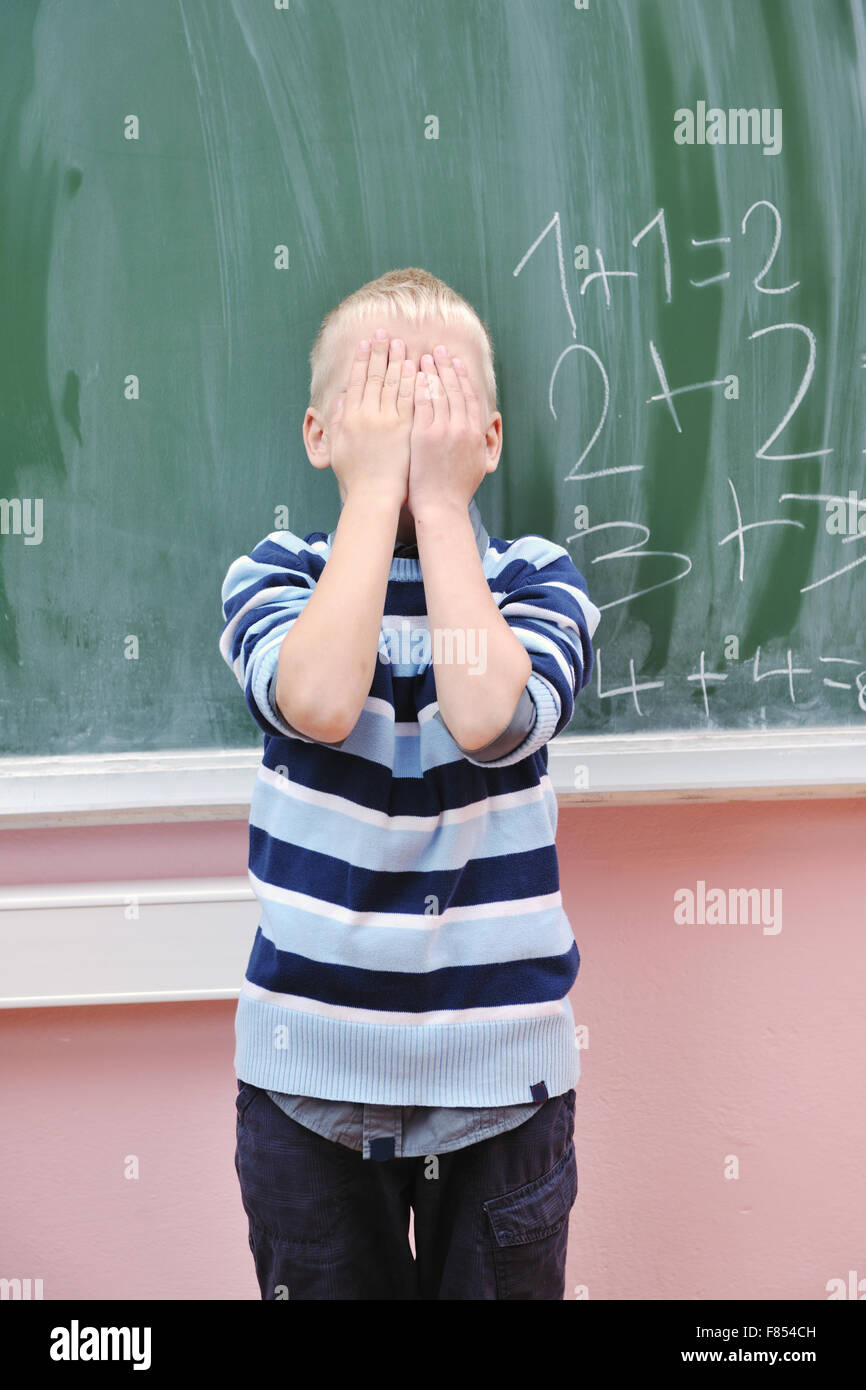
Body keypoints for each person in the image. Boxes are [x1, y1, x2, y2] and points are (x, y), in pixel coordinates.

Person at [219, 267, 601, 1299]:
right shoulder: (274, 578)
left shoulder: (536, 582)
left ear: (487, 439)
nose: (403, 419)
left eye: (428, 400)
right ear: (318, 433)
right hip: (305, 1083)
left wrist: (432, 501)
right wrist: (371, 495)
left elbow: (485, 719)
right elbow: (321, 701)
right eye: (378, 394)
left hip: (501, 1092)